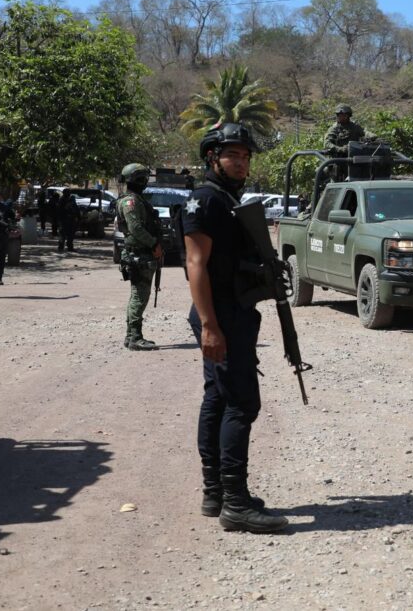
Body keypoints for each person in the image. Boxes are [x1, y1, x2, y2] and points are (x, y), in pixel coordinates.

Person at [182, 122, 288, 533]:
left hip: (230, 312)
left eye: (245, 156)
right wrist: (210, 325)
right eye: (233, 155)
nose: (241, 162)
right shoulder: (206, 201)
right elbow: (196, 265)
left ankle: (217, 493)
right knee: (242, 404)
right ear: (213, 158)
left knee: (218, 397)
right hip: (220, 315)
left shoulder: (225, 199)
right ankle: (236, 503)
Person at [117, 164, 163, 351]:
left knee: (137, 296)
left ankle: (131, 336)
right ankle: (135, 337)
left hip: (140, 254)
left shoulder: (135, 200)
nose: (145, 182)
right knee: (139, 297)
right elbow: (135, 228)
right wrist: (154, 244)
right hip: (140, 254)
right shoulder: (131, 202)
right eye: (143, 178)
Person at [0, 191, 17, 285]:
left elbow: (12, 218)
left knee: (1, 257)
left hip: (2, 235)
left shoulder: (4, 208)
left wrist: (12, 225)